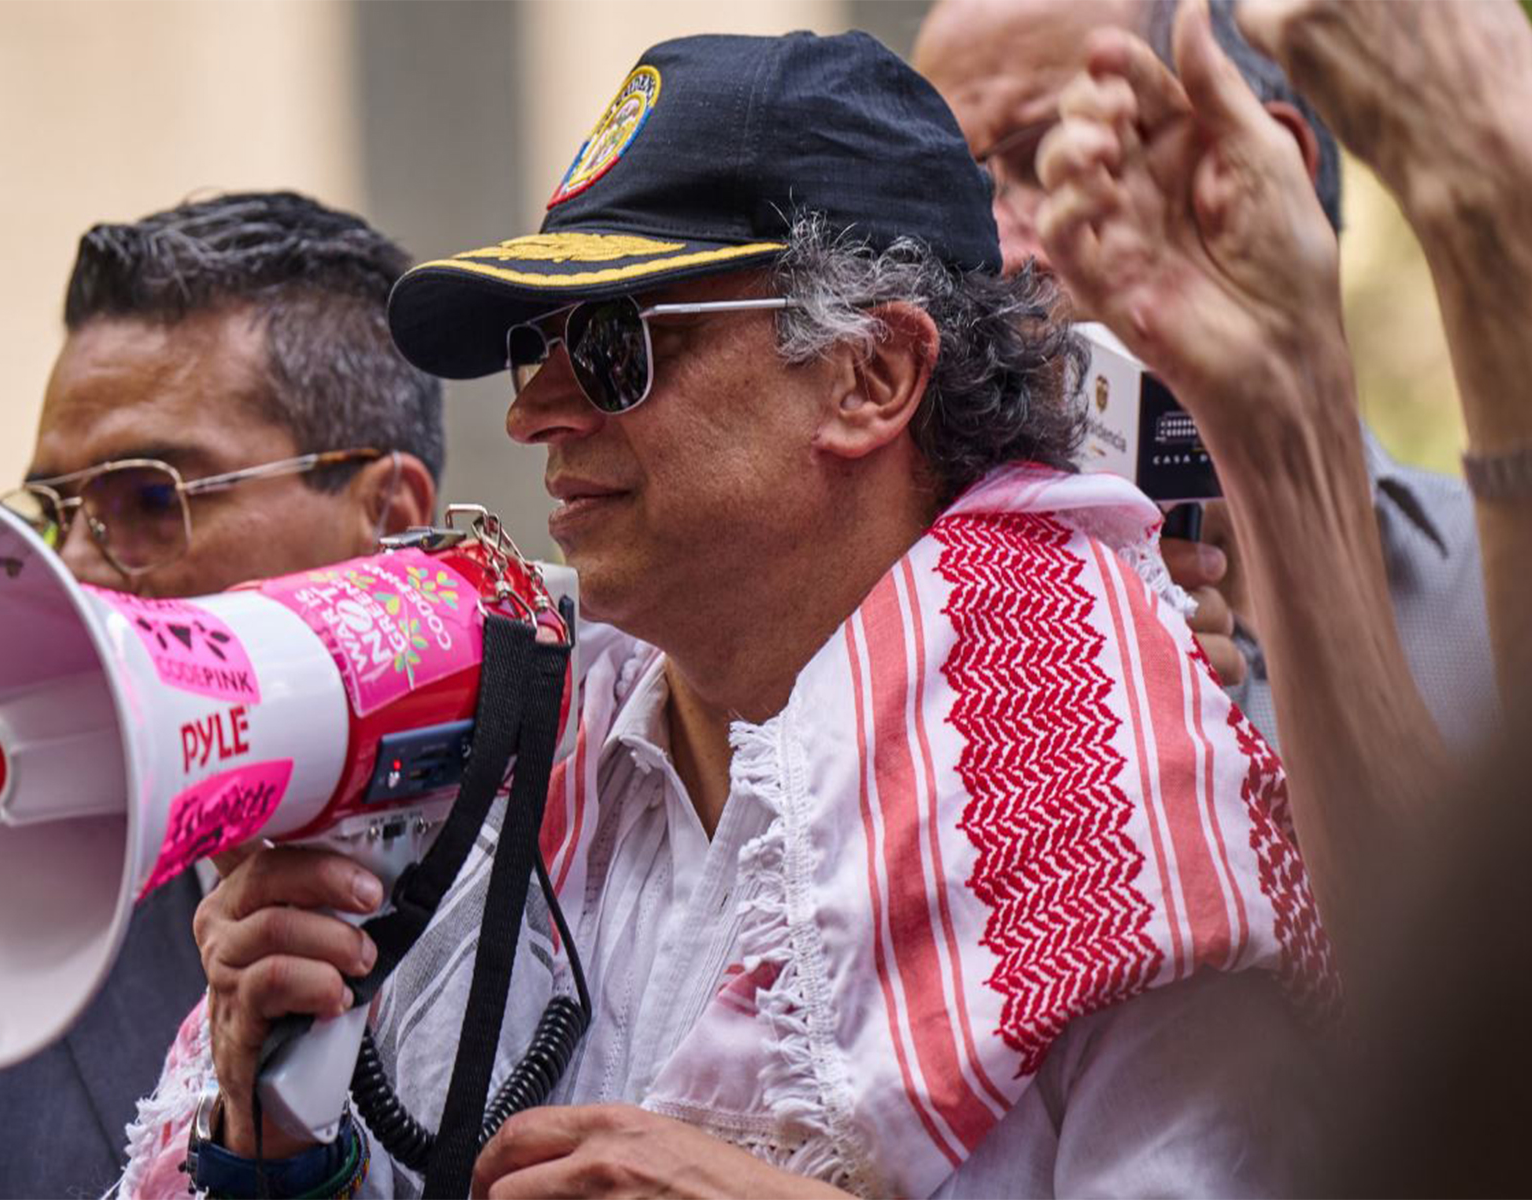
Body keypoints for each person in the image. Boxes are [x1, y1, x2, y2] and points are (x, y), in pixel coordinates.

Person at [125, 34, 1328, 1198]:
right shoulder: (506, 756)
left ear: (871, 375)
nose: (533, 413)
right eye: (530, 347)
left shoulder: (1126, 799)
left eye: (610, 345)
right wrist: (278, 1140)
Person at [0, 191, 440, 1198]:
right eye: (54, 510)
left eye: (151, 499)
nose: (74, 566)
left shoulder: (565, 874)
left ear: (389, 519)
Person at [913, 0, 1497, 754]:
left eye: (1054, 160)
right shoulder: (923, 658)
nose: (993, 256)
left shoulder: (1494, 585)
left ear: (1259, 172)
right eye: (960, 193)